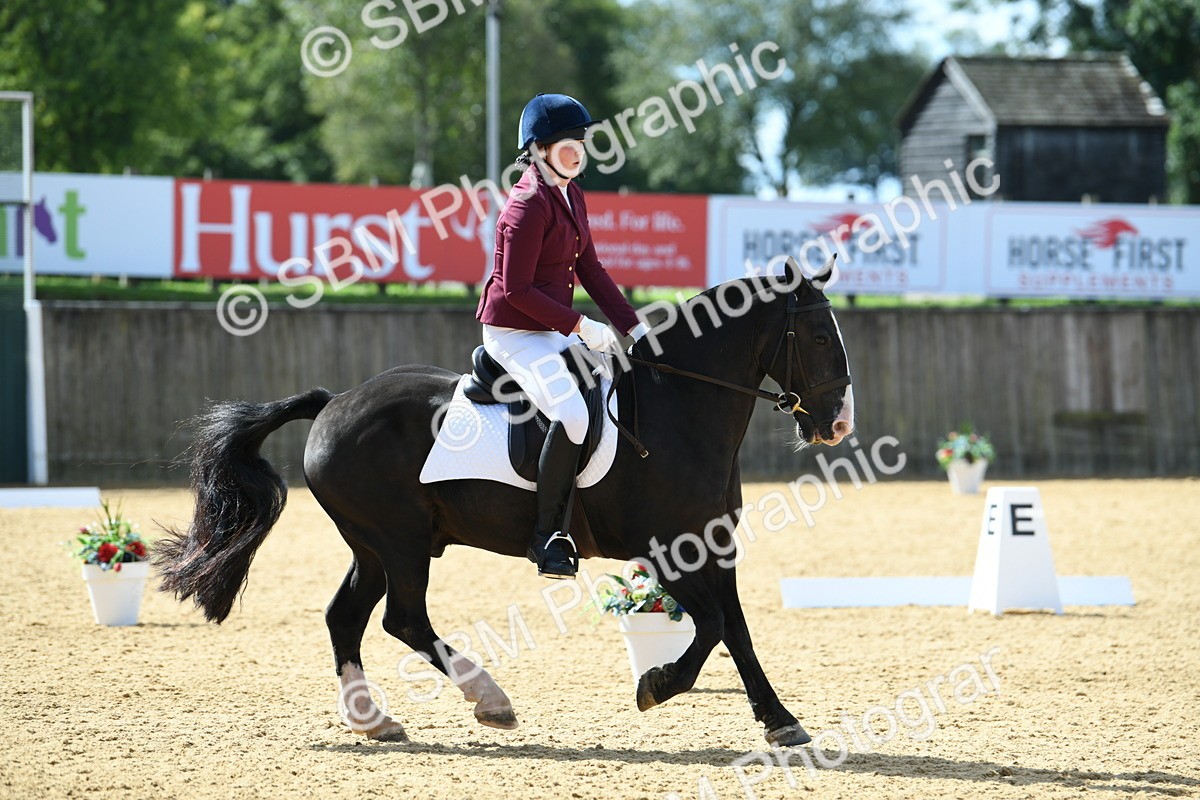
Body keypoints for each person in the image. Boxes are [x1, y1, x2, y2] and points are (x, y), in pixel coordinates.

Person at [476, 93, 648, 580]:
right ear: (539, 150)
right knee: (572, 413)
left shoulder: (571, 195)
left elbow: (590, 269)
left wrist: (634, 328)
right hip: (513, 332)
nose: (579, 151)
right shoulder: (527, 205)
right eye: (568, 144)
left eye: (583, 142)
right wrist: (580, 326)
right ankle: (548, 536)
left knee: (618, 381)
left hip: (549, 329)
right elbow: (517, 289)